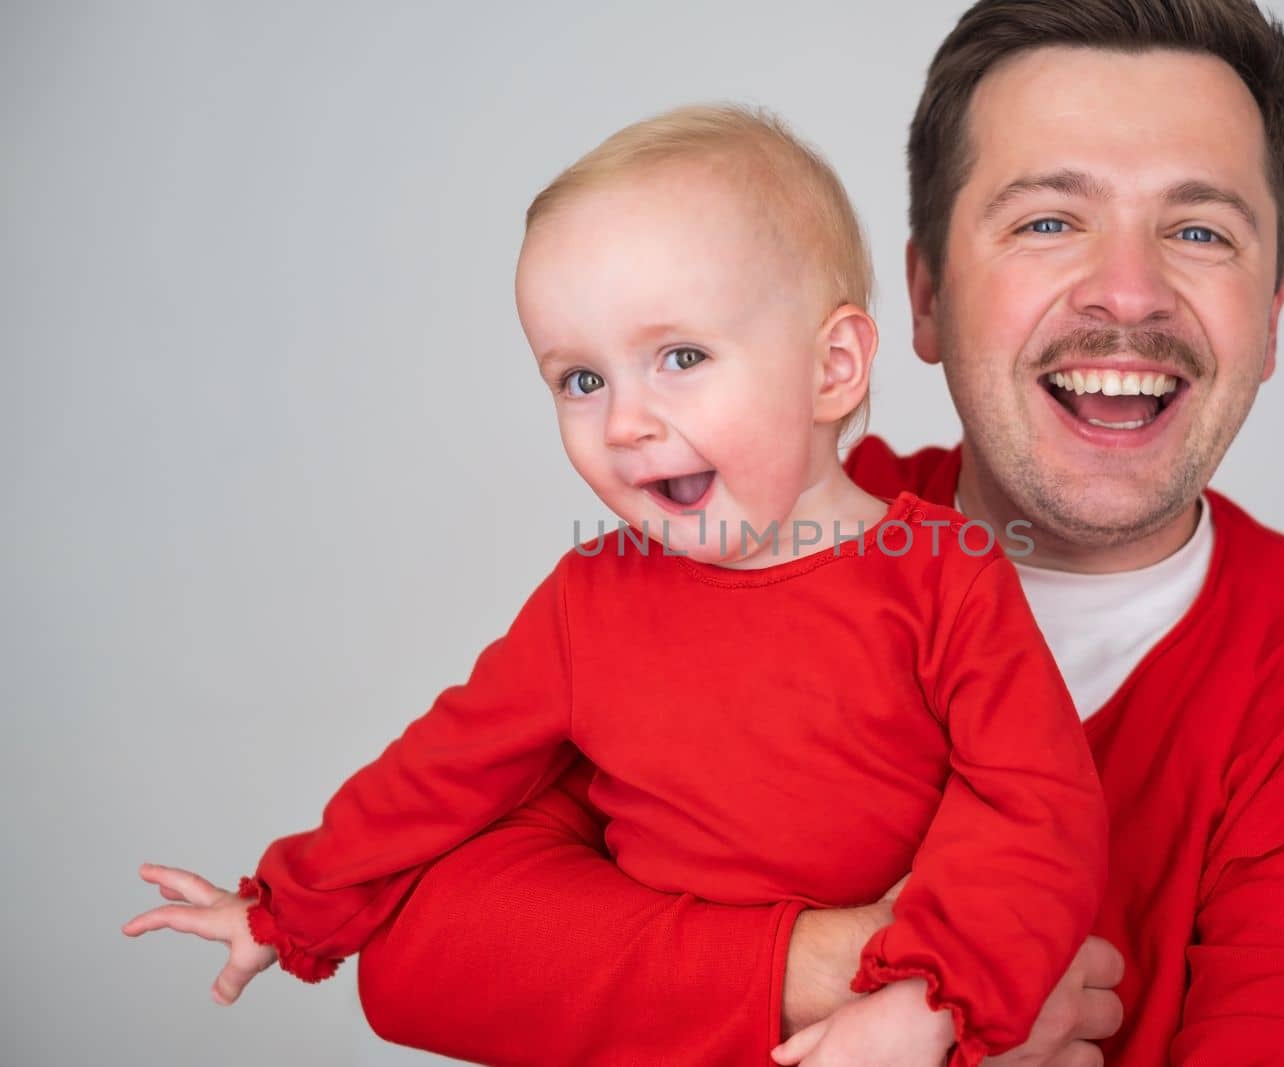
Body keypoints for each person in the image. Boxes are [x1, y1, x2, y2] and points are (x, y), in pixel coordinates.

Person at [342, 2, 1284, 1065]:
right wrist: (842, 969)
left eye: (1200, 233)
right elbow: (420, 949)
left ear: (1266, 324)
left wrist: (700, 989)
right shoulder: (735, 550)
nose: (1131, 292)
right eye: (1049, 219)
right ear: (928, 302)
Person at [120, 104, 1110, 1067]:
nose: (624, 420)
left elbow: (1034, 810)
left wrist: (929, 1000)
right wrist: (283, 905)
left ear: (832, 367)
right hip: (674, 1025)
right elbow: (439, 772)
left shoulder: (942, 574)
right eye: (579, 379)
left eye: (679, 357)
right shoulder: (589, 599)